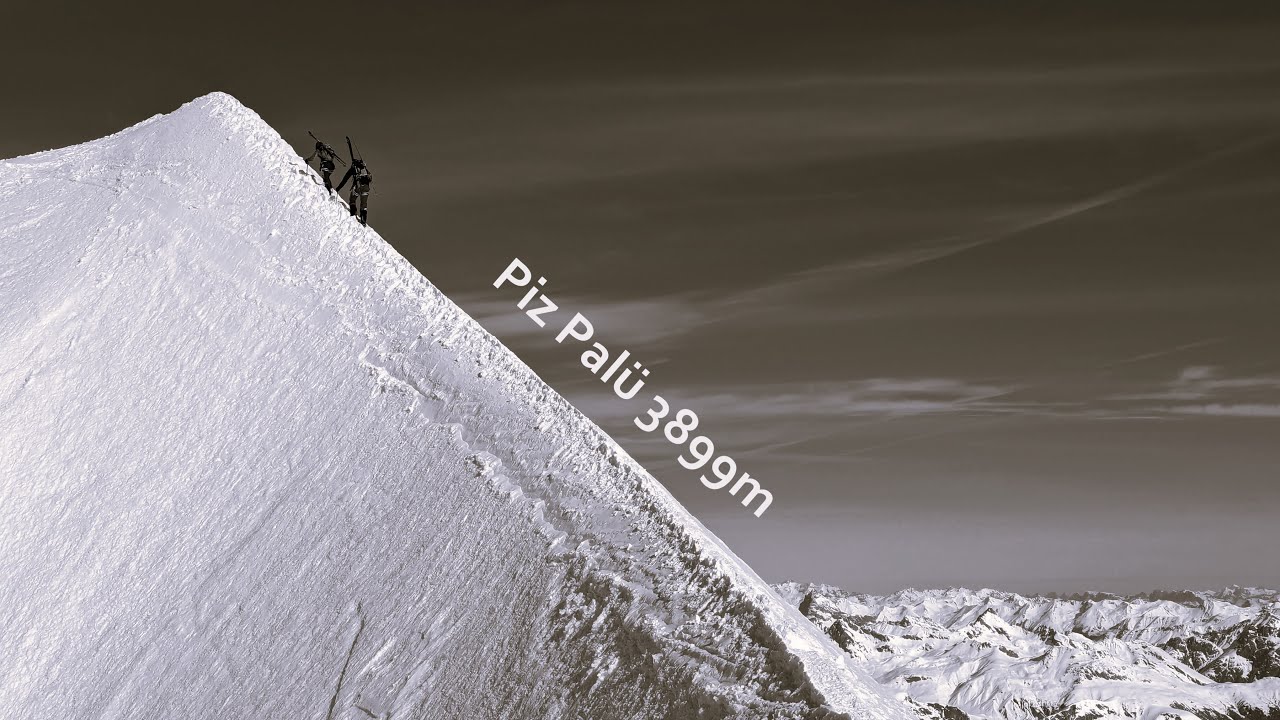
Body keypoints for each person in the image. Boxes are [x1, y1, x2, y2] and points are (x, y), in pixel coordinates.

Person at [336, 158, 373, 225]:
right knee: (364, 204)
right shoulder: (364, 169)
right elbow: (370, 178)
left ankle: (353, 214)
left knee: (352, 199)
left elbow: (345, 179)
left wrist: (338, 188)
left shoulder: (353, 169)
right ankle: (363, 220)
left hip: (358, 187)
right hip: (366, 188)